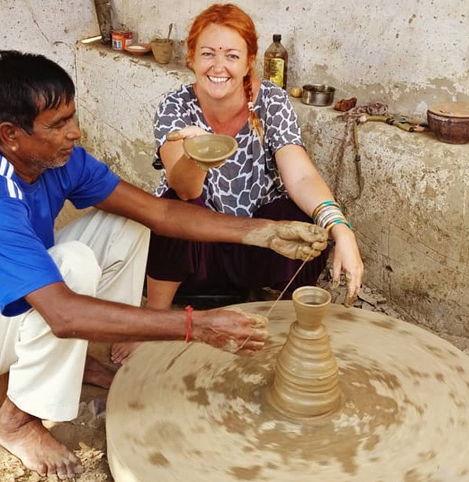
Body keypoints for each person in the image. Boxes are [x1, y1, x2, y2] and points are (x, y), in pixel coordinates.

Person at [0, 50, 329, 479]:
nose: (75, 132)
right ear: (11, 134)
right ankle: (16, 421)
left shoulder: (48, 160)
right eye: (58, 124)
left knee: (129, 225)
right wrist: (199, 326)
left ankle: (76, 358)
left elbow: (159, 214)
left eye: (72, 116)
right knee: (71, 268)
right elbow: (64, 314)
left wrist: (260, 232)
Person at [111, 4, 365, 364]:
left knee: (309, 226)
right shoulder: (175, 106)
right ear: (191, 59)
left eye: (232, 55)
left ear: (248, 62)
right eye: (208, 54)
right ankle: (155, 319)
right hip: (199, 252)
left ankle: (266, 307)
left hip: (255, 242)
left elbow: (301, 175)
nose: (219, 66)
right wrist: (196, 154)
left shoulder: (272, 102)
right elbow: (183, 189)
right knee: (171, 208)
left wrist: (341, 229)